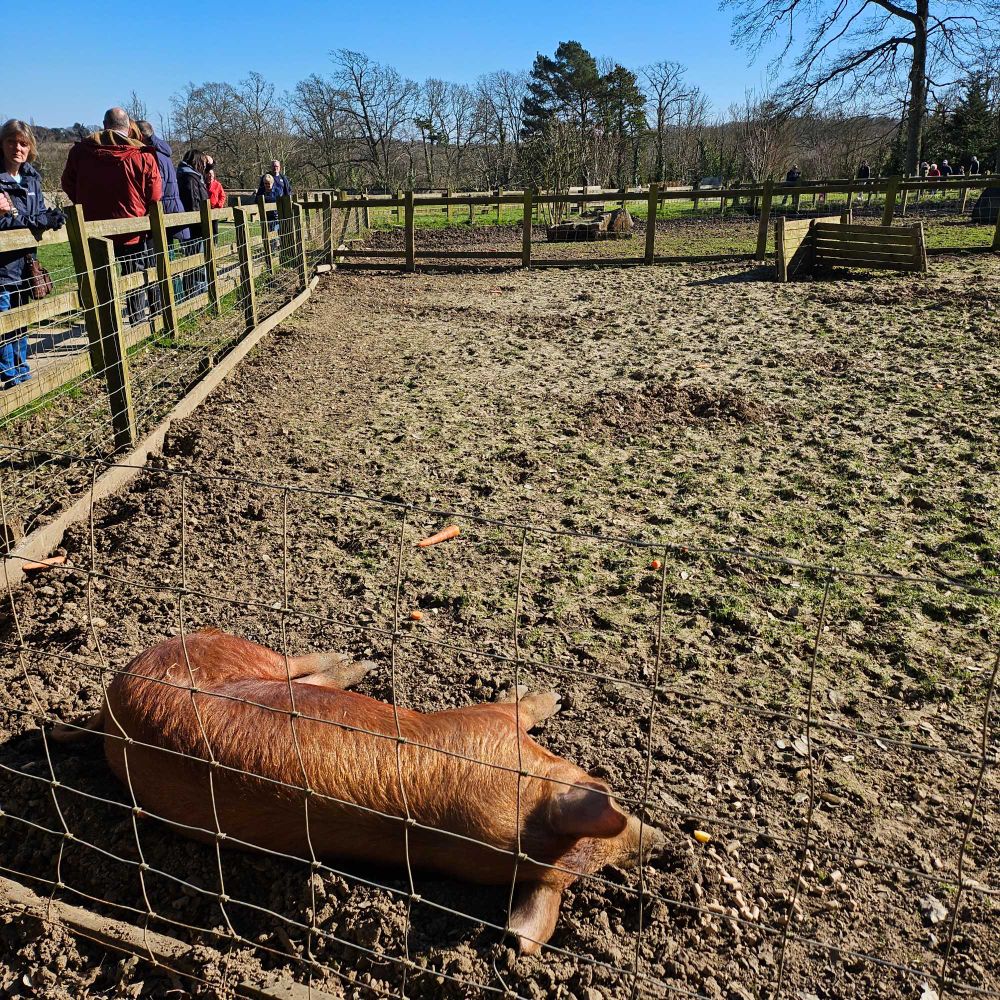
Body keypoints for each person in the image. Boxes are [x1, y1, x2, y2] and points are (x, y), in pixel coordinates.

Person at [61, 107, 161, 325]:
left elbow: (67, 183)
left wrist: (83, 202)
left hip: (92, 226)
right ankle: (137, 322)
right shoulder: (142, 154)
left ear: (104, 125)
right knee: (133, 274)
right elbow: (155, 195)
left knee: (99, 277)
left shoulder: (80, 152)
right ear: (128, 127)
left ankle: (102, 324)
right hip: (131, 227)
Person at [0, 120, 66, 388]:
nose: (18, 148)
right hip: (2, 265)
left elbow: (34, 214)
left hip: (26, 262)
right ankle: (9, 377)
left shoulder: (32, 179)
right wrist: (30, 221)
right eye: (12, 142)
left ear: (31, 148)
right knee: (4, 322)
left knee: (22, 319)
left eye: (23, 143)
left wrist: (47, 218)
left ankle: (22, 370)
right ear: (2, 144)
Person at [176, 150, 210, 299]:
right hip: (195, 227)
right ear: (196, 162)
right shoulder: (190, 178)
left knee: (197, 260)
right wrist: (201, 220)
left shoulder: (191, 175)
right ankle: (197, 296)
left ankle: (197, 293)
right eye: (202, 163)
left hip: (195, 226)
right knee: (196, 261)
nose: (204, 166)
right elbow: (193, 203)